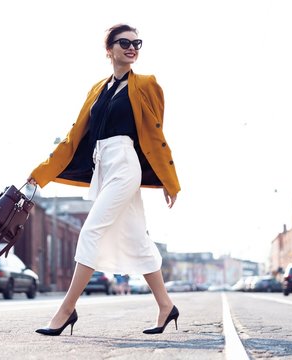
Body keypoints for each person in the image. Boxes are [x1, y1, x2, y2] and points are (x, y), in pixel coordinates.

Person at [27, 23, 181, 336]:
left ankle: (66, 309)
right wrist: (40, 173)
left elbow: (154, 135)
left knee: (91, 232)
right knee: (137, 238)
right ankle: (166, 306)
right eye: (124, 42)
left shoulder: (148, 84)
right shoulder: (97, 90)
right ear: (108, 49)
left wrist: (168, 179)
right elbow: (73, 138)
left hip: (126, 164)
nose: (132, 47)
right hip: (103, 166)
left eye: (137, 43)